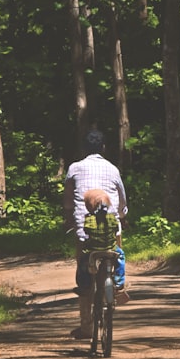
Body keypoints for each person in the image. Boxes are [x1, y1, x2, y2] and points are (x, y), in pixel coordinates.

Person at [63, 129, 128, 339]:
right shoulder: (113, 169)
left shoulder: (74, 168)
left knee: (84, 267)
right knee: (116, 252)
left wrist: (70, 219)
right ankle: (118, 286)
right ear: (103, 148)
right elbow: (122, 203)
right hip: (112, 229)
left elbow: (67, 202)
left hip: (85, 232)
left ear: (84, 149)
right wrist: (120, 217)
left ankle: (86, 326)